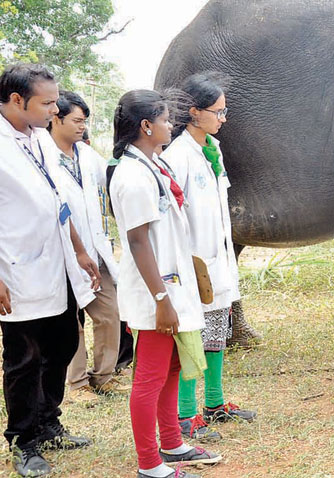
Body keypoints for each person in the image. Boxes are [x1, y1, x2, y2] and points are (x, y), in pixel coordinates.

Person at [107, 89, 221, 478]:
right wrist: (161, 299)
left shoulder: (153, 166)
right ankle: (148, 464)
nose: (171, 125)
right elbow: (138, 243)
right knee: (150, 377)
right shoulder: (133, 176)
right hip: (155, 292)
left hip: (172, 286)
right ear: (145, 125)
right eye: (166, 119)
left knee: (172, 367)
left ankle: (171, 442)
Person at [0, 63, 99, 476]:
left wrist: (78, 249)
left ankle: (48, 422)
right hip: (18, 270)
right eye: (48, 102)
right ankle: (23, 440)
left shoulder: (39, 138)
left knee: (61, 346)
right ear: (18, 100)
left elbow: (57, 199)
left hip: (59, 264)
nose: (55, 110)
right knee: (24, 359)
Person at [160, 73, 256, 441]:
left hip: (218, 261)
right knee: (191, 337)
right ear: (195, 113)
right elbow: (172, 216)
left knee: (216, 331)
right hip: (192, 265)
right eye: (218, 111)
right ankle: (185, 415)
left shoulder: (211, 150)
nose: (224, 118)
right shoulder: (178, 156)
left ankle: (214, 403)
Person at [44, 91, 126, 403]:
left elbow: (111, 181)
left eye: (85, 121)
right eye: (77, 121)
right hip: (61, 253)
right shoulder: (42, 155)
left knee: (109, 313)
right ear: (56, 119)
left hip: (96, 250)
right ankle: (77, 384)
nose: (82, 127)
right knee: (71, 319)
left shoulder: (87, 156)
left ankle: (103, 377)